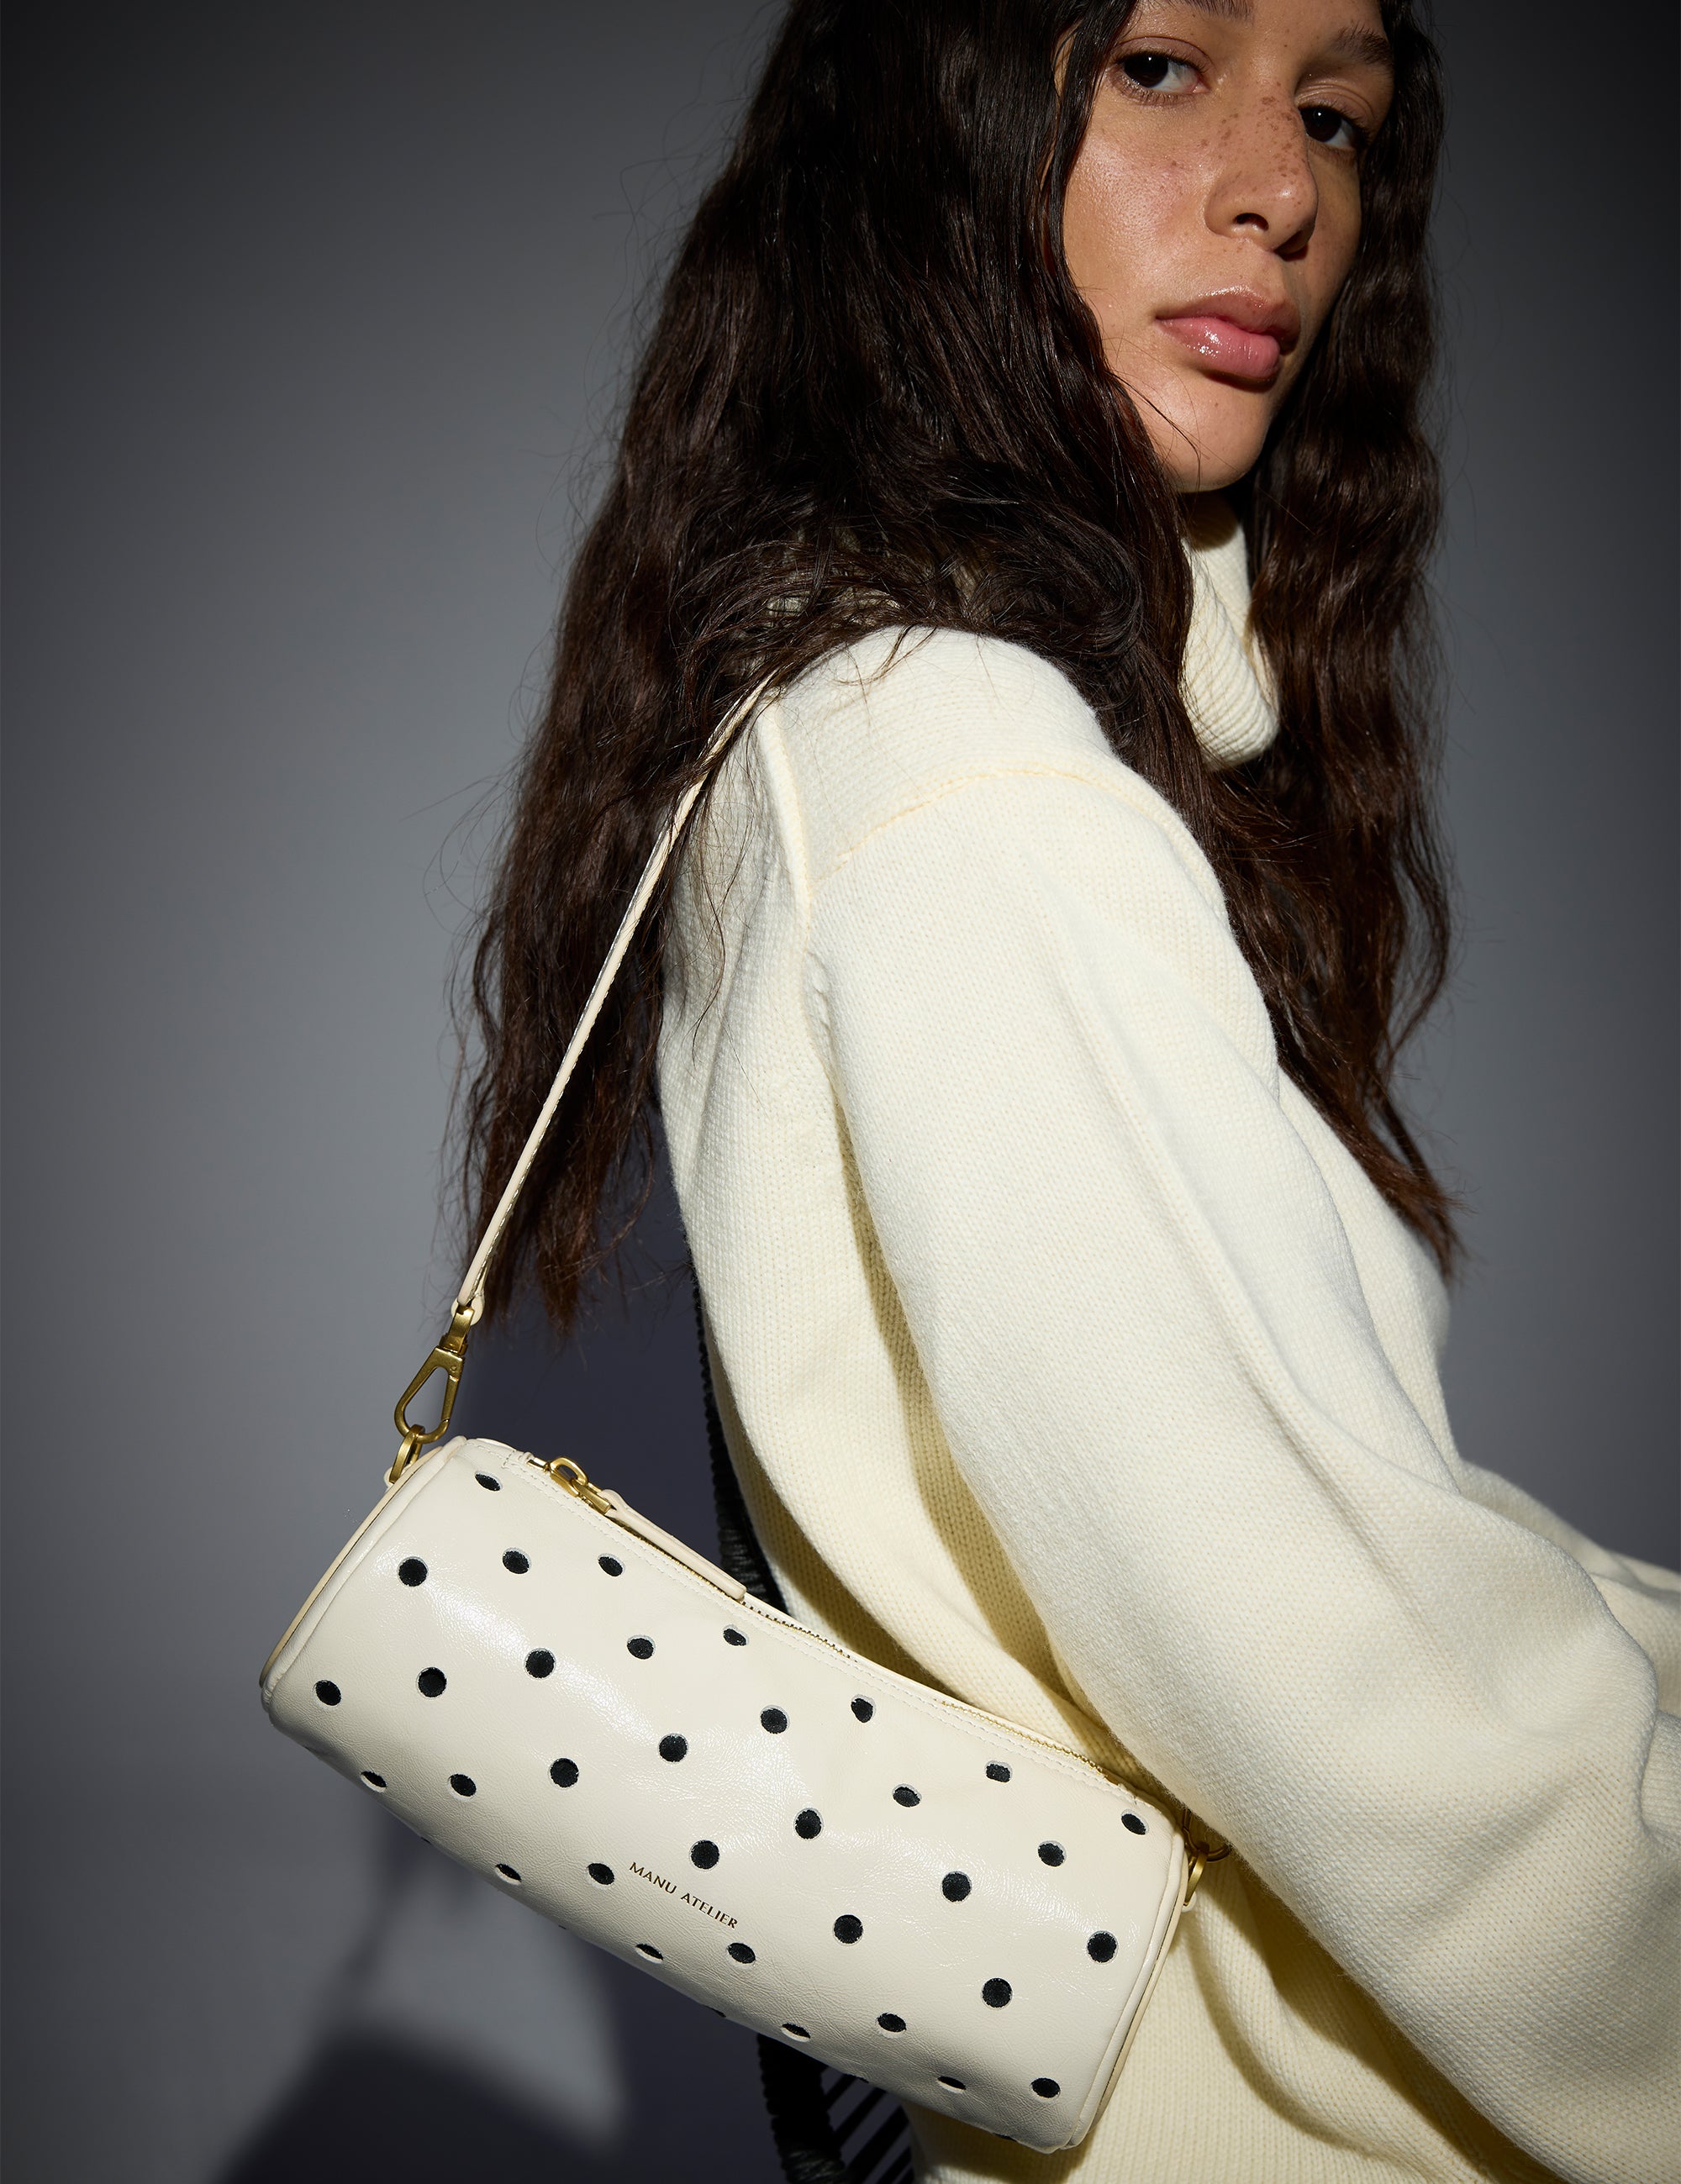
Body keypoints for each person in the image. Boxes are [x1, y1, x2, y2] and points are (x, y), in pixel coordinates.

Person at [461, 3, 1679, 2177]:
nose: (1282, 191)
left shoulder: (858, 712)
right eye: (1159, 65)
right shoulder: (968, 771)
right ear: (931, 128)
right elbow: (1341, 1671)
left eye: (1336, 115)